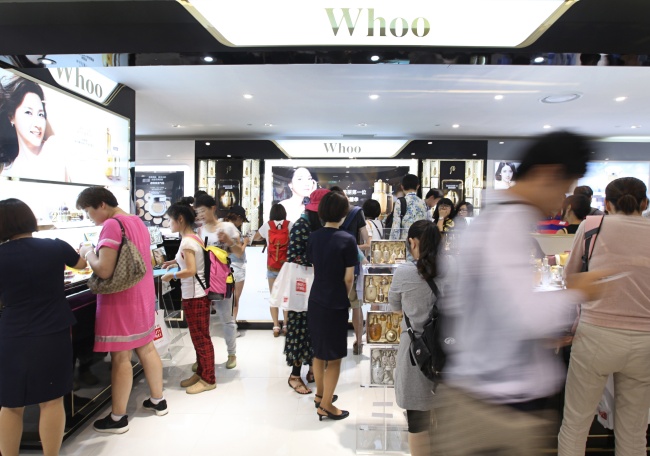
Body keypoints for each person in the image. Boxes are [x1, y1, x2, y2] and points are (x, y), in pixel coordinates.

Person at [432, 132, 608, 455]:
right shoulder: (506, 224)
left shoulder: (496, 219)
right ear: (547, 174)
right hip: (495, 413)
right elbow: (528, 317)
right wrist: (577, 292)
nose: (563, 201)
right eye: (565, 187)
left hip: (495, 404)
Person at [558, 177, 650, 456]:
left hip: (596, 334)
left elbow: (570, 279)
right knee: (633, 432)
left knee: (575, 424)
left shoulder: (591, 227)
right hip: (645, 340)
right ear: (645, 203)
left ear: (606, 204)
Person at [77, 187, 166, 434]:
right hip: (142, 294)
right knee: (147, 347)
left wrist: (87, 252)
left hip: (121, 300)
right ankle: (158, 401)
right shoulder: (136, 220)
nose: (90, 217)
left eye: (88, 211)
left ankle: (118, 418)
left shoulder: (112, 225)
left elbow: (104, 270)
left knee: (120, 357)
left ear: (101, 204)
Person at [0, 199, 83, 456]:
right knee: (52, 400)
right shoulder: (54, 246)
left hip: (12, 332)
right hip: (53, 330)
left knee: (10, 404)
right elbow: (81, 265)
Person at [388, 220, 441, 456]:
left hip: (416, 356)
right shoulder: (455, 269)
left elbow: (395, 307)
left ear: (413, 242)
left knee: (417, 425)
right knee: (447, 420)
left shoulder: (404, 273)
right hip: (449, 353)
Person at [307, 191, 358, 421]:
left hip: (316, 299)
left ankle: (320, 395)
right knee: (335, 357)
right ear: (343, 213)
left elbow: (315, 268)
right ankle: (326, 405)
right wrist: (344, 297)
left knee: (318, 352)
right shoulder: (347, 239)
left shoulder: (314, 237)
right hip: (336, 302)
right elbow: (349, 278)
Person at [161, 201, 216, 393]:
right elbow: (190, 263)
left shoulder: (187, 241)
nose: (169, 223)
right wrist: (173, 263)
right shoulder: (194, 238)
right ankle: (201, 372)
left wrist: (172, 275)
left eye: (170, 219)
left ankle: (209, 379)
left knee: (201, 338)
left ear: (180, 219)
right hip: (196, 294)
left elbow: (191, 270)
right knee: (199, 337)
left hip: (195, 296)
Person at [284, 189, 330, 395]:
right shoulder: (301, 225)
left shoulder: (323, 226)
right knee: (300, 328)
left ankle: (312, 369)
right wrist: (319, 261)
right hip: (302, 288)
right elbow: (293, 255)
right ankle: (294, 375)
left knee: (316, 329)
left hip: (318, 285)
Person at [194, 194, 237, 369]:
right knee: (202, 322)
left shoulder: (227, 227)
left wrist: (228, 241)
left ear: (213, 208)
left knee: (226, 319)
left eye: (203, 211)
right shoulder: (199, 231)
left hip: (222, 280)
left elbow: (240, 252)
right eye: (198, 212)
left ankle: (232, 354)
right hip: (203, 280)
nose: (200, 215)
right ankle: (202, 358)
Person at [0, 76, 66, 181]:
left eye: (40, 114)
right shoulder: (9, 171)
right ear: (11, 117)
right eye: (28, 112)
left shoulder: (54, 148)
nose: (37, 123)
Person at [330, 186, 369, 355]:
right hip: (352, 266)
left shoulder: (327, 213)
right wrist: (351, 248)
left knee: (335, 308)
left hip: (332, 268)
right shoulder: (357, 212)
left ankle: (335, 342)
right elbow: (367, 242)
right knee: (356, 306)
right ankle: (359, 342)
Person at [253, 203, 293, 337]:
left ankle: (276, 326)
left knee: (274, 297)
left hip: (272, 266)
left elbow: (256, 237)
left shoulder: (267, 225)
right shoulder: (290, 225)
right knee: (286, 297)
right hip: (286, 267)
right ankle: (286, 325)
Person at [222, 205, 249, 330]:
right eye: (242, 220)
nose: (242, 223)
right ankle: (231, 327)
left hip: (223, 266)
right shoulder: (235, 232)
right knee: (235, 299)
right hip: (237, 267)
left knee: (227, 299)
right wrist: (245, 243)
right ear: (238, 218)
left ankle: (226, 325)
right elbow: (238, 252)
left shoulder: (222, 228)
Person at [389, 174, 428, 241]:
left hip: (405, 241)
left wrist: (392, 242)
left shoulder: (400, 202)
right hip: (420, 241)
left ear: (402, 186)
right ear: (417, 186)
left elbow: (396, 226)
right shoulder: (423, 203)